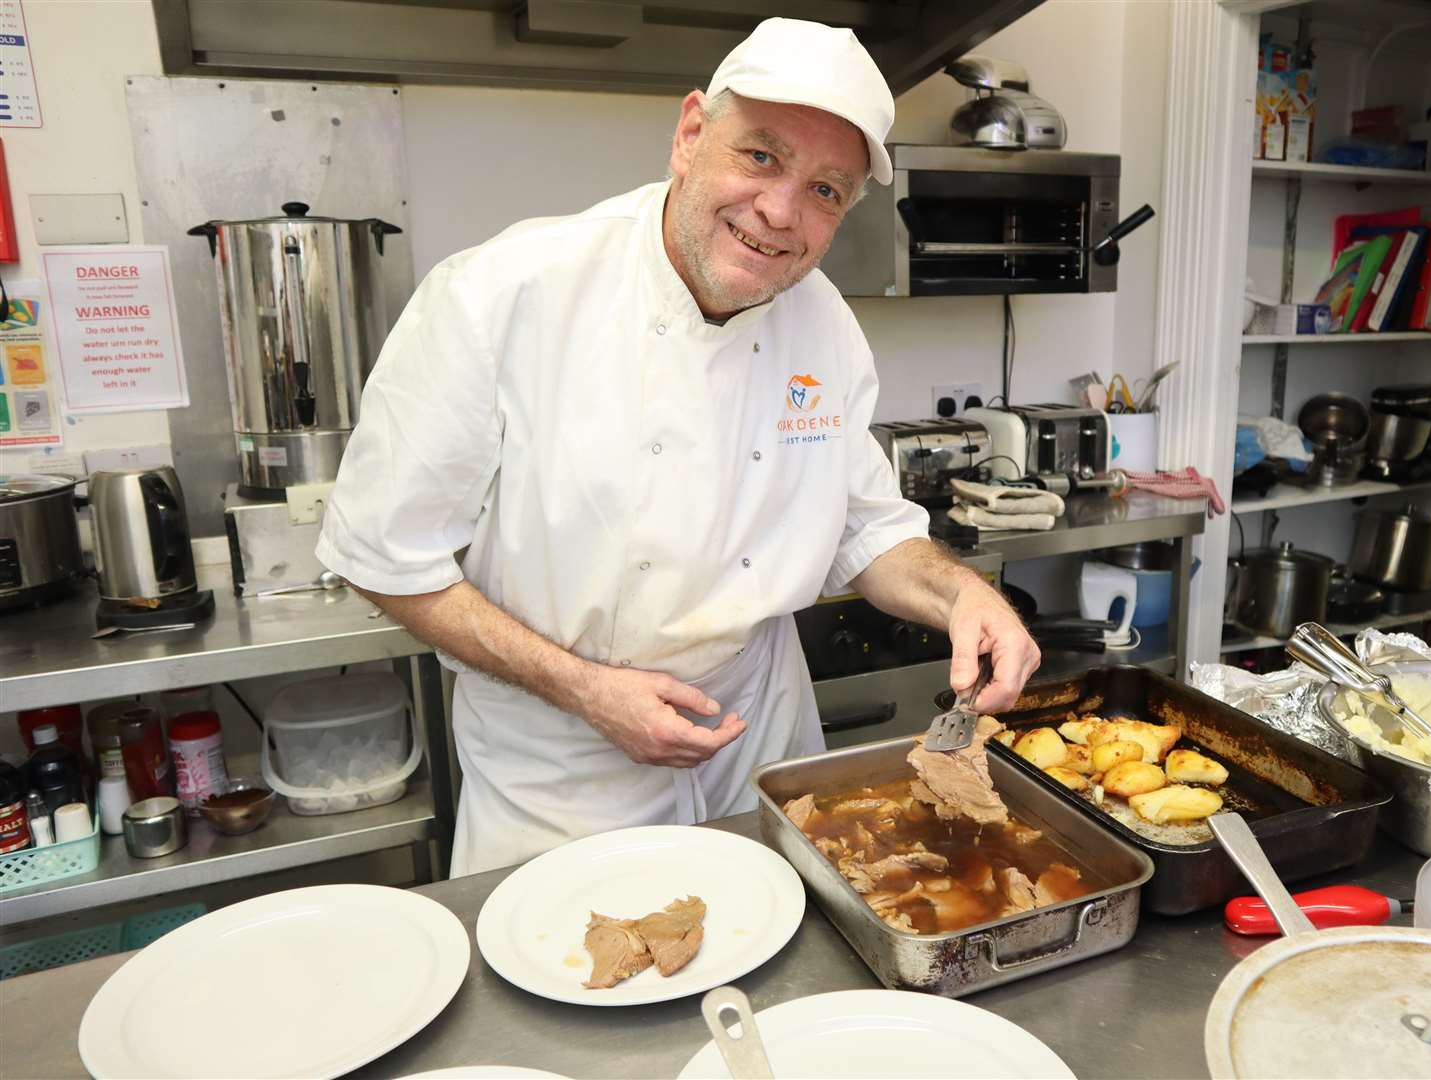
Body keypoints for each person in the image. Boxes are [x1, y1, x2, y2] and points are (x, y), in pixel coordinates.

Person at [316, 17, 1041, 876]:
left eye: (826, 191)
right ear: (691, 133)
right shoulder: (498, 298)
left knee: (785, 990)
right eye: (761, 157)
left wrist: (962, 595)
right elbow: (386, 558)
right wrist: (586, 688)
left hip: (761, 748)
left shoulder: (825, 328)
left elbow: (864, 528)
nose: (780, 213)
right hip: (561, 774)